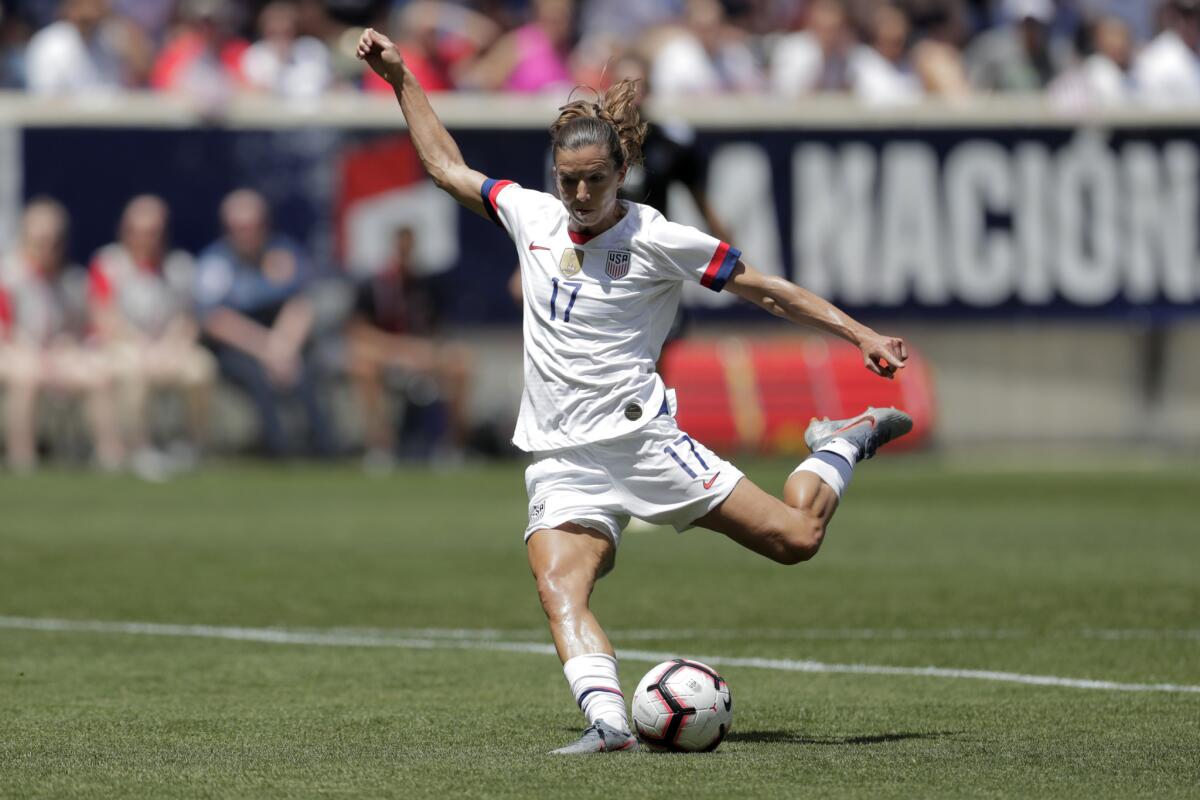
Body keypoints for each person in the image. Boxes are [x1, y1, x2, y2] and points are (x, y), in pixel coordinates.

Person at [358, 26, 912, 754]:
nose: (581, 194)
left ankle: (841, 443)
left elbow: (766, 291)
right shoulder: (532, 216)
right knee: (560, 588)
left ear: (622, 171)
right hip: (562, 457)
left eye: (595, 179)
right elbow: (445, 167)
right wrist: (401, 78)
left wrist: (859, 333)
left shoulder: (656, 237)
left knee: (796, 540)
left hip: (644, 442)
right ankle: (611, 726)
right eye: (569, 180)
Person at [194, 188, 336, 459]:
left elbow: (301, 304)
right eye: (240, 227)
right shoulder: (216, 263)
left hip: (283, 338)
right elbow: (216, 320)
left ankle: (325, 447)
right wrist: (267, 350)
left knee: (306, 370)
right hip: (239, 345)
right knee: (256, 375)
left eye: (253, 226)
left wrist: (283, 348)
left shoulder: (283, 254)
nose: (247, 233)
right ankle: (279, 450)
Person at [89, 195, 215, 478]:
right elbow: (104, 317)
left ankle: (194, 446)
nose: (148, 238)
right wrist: (141, 347)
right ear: (126, 231)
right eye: (141, 231)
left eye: (155, 231)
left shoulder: (180, 266)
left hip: (169, 349)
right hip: (122, 347)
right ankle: (139, 448)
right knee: (135, 370)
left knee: (201, 370)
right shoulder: (108, 263)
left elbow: (188, 318)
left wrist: (172, 347)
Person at [0, 198, 123, 472]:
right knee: (26, 376)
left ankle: (111, 457)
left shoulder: (73, 280)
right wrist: (30, 355)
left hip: (59, 356)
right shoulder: (8, 276)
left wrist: (70, 347)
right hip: (16, 355)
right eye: (41, 240)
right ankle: (22, 459)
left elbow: (87, 331)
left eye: (55, 241)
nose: (48, 248)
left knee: (99, 375)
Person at [346, 226, 473, 468]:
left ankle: (453, 447)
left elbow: (438, 331)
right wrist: (400, 350)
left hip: (423, 354)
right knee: (361, 365)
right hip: (388, 353)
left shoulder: (425, 285)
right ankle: (380, 447)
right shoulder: (373, 285)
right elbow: (358, 331)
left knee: (461, 363)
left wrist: (425, 352)